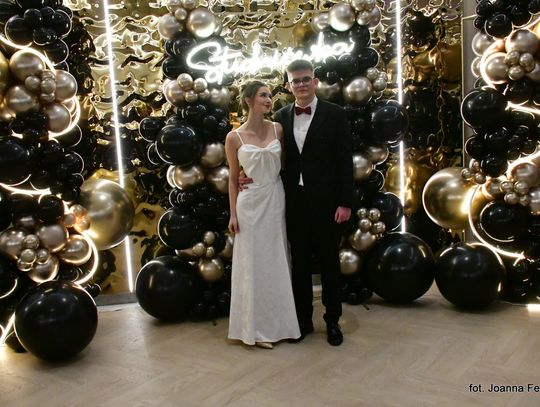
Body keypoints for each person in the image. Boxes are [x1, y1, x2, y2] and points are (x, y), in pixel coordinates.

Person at [242, 60, 353, 346]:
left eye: (306, 79)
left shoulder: (335, 114)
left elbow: (345, 161)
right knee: (299, 264)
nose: (301, 84)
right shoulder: (281, 117)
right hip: (293, 202)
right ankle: (302, 321)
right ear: (288, 86)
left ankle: (332, 321)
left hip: (328, 203)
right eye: (296, 81)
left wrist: (345, 202)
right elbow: (268, 155)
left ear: (315, 82)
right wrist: (245, 174)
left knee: (329, 263)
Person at [225, 80, 300, 349]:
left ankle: (282, 325)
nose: (269, 99)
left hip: (275, 198)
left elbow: (286, 165)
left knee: (277, 260)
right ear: (248, 100)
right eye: (262, 95)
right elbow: (233, 178)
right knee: (253, 264)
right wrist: (233, 215)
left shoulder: (278, 129)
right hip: (249, 204)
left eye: (269, 95)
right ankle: (255, 330)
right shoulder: (234, 137)